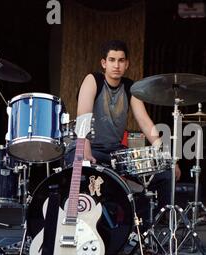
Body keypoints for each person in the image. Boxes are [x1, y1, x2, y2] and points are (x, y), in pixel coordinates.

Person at [65, 40, 180, 228]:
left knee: (165, 174)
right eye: (112, 60)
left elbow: (144, 122)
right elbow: (83, 114)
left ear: (127, 64)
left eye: (121, 60)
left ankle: (157, 230)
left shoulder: (130, 88)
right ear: (104, 63)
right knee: (85, 176)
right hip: (88, 147)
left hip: (114, 153)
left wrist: (166, 157)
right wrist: (83, 148)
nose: (116, 65)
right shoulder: (93, 80)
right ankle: (85, 228)